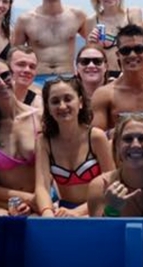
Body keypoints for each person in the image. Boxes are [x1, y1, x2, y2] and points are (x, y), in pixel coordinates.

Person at [0, 57, 44, 215]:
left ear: (13, 76)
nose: (2, 83)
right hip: (3, 204)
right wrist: (27, 198)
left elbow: (49, 170)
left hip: (39, 200)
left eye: (5, 76)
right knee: (0, 220)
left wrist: (36, 201)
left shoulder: (39, 118)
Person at [34, 76, 115, 216]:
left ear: (81, 102)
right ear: (48, 108)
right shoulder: (44, 141)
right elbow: (41, 186)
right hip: (64, 210)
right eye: (55, 101)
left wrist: (77, 212)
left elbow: (111, 185)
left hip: (96, 210)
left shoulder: (96, 137)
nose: (62, 106)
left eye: (68, 99)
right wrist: (47, 213)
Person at [91, 24, 143, 130]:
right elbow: (96, 138)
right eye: (125, 51)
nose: (132, 55)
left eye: (138, 49)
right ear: (118, 54)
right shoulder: (104, 95)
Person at [12, 0, 89, 82]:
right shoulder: (25, 20)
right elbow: (14, 55)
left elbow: (94, 44)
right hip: (37, 79)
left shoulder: (77, 16)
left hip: (68, 77)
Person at [83, 0, 143, 70]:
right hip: (106, 75)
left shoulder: (133, 14)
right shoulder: (91, 21)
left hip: (131, 72)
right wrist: (93, 44)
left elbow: (142, 45)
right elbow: (91, 56)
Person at [4, 44, 45, 110]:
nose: (27, 70)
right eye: (21, 65)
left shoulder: (39, 102)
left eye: (32, 67)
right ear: (6, 67)